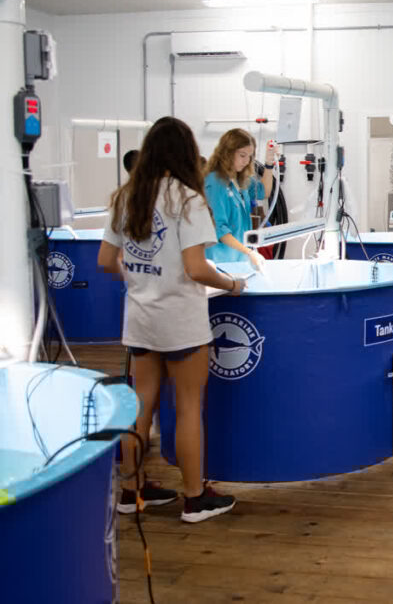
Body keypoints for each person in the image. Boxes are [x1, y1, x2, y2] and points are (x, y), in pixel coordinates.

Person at [97, 116, 243, 523]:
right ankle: (195, 498)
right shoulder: (186, 199)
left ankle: (131, 489)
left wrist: (142, 278)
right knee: (188, 407)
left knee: (141, 406)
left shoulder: (128, 196)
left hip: (141, 318)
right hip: (180, 319)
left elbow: (106, 260)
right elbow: (196, 268)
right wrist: (231, 284)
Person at [203, 128, 276, 268]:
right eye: (242, 155)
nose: (247, 161)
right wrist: (249, 252)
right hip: (220, 261)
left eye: (250, 156)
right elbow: (220, 229)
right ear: (227, 153)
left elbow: (264, 192)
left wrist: (269, 162)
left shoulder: (241, 179)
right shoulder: (214, 182)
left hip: (240, 259)